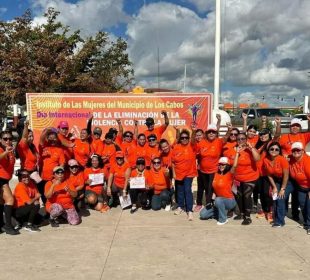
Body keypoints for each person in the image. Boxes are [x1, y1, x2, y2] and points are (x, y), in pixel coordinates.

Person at [194, 121, 231, 212]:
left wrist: (229, 130)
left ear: (216, 133)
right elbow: (196, 153)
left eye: (213, 132)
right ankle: (201, 203)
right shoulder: (201, 142)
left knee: (210, 189)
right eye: (209, 132)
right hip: (202, 171)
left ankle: (209, 205)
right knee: (202, 188)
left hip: (214, 171)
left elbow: (226, 137)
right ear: (206, 133)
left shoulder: (218, 142)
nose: (211, 133)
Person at [225, 132, 260, 225]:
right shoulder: (232, 150)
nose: (241, 141)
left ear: (246, 139)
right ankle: (241, 213)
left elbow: (257, 159)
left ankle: (247, 216)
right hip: (237, 178)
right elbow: (230, 164)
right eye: (239, 139)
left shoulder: (250, 149)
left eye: (243, 139)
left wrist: (251, 148)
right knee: (239, 196)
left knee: (246, 195)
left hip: (250, 177)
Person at [200, 156, 238, 225]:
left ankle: (223, 219)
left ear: (227, 165)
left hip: (229, 201)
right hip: (218, 202)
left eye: (223, 164)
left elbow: (235, 166)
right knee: (203, 215)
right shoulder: (215, 174)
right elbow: (212, 189)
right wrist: (210, 201)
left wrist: (237, 153)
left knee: (218, 200)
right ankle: (223, 212)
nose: (221, 166)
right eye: (220, 164)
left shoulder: (229, 174)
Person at [263, 142, 292, 227]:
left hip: (288, 181)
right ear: (268, 150)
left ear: (279, 151)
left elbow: (286, 176)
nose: (274, 151)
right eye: (272, 149)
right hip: (278, 181)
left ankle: (280, 221)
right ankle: (277, 218)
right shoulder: (266, 160)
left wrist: (282, 189)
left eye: (276, 149)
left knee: (280, 198)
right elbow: (269, 175)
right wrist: (274, 187)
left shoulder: (282, 159)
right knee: (275, 197)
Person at [172, 129, 197, 221]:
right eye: (182, 138)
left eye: (186, 137)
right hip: (178, 174)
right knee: (179, 191)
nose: (184, 139)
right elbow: (173, 162)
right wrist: (174, 173)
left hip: (189, 174)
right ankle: (180, 207)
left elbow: (194, 139)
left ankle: (189, 210)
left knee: (187, 190)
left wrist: (193, 131)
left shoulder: (192, 146)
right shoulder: (176, 147)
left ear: (188, 138)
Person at [38, 128, 65, 204]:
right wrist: (48, 130)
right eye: (50, 138)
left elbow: (62, 164)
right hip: (42, 178)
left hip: (53, 179)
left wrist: (59, 176)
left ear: (57, 139)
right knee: (43, 195)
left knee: (53, 196)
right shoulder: (43, 147)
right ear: (47, 138)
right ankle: (47, 210)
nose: (52, 140)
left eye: (54, 138)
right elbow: (41, 139)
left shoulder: (60, 150)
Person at [0, 131, 19, 235]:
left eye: (10, 139)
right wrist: (6, 152)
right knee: (10, 199)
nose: (8, 140)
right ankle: (7, 226)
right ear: (0, 140)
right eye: (5, 139)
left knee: (1, 202)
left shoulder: (10, 149)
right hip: (0, 178)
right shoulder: (2, 149)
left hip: (5, 178)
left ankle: (1, 224)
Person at [289, 142, 310, 235]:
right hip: (301, 187)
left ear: (302, 151)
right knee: (302, 205)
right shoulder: (292, 160)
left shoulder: (307, 161)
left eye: (298, 150)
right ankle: (306, 223)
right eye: (294, 150)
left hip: (309, 187)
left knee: (309, 207)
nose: (296, 152)